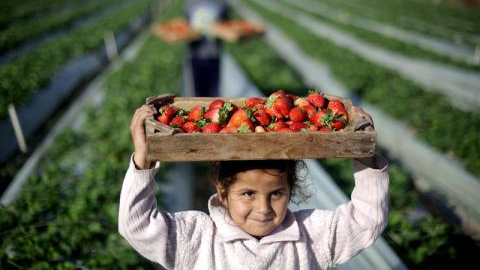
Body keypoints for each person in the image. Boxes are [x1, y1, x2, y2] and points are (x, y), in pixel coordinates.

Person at [119, 105, 389, 269]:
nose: (263, 208)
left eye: (277, 194)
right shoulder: (199, 238)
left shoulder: (309, 236)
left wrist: (363, 155)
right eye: (248, 193)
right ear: (222, 192)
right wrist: (143, 161)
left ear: (290, 190)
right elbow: (138, 226)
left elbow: (366, 220)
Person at [184, 0, 230, 97]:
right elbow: (186, 26)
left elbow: (226, 24)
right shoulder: (190, 3)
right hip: (196, 53)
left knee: (214, 93)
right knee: (198, 93)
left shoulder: (220, 2)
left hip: (214, 52)